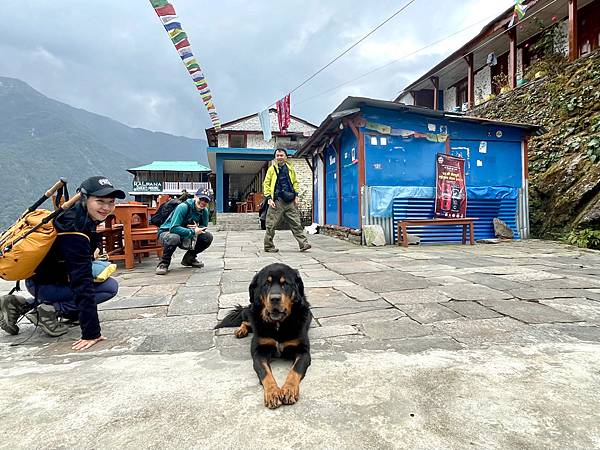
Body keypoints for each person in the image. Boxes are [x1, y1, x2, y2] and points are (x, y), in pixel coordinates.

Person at [0, 176, 125, 351]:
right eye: (100, 201)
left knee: (89, 289)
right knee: (108, 287)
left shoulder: (73, 215)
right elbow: (81, 281)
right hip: (45, 285)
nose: (106, 207)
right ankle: (45, 310)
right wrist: (91, 332)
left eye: (111, 202)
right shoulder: (74, 230)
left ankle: (21, 303)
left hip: (41, 280)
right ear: (84, 199)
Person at [263, 148, 311, 253]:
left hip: (290, 200)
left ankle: (304, 244)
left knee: (296, 223)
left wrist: (296, 196)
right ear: (275, 157)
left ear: (285, 157)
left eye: (281, 155)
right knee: (271, 224)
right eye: (278, 155)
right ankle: (268, 246)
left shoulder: (290, 168)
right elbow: (266, 184)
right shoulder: (272, 169)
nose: (279, 157)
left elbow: (295, 183)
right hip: (277, 200)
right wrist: (269, 198)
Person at [155, 188, 213, 275]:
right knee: (174, 237)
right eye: (201, 199)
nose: (203, 202)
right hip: (167, 232)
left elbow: (203, 227)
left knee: (207, 237)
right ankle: (164, 263)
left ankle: (189, 258)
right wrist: (192, 232)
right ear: (195, 197)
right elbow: (173, 228)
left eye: (206, 200)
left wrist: (197, 228)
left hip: (184, 233)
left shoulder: (204, 211)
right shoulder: (183, 207)